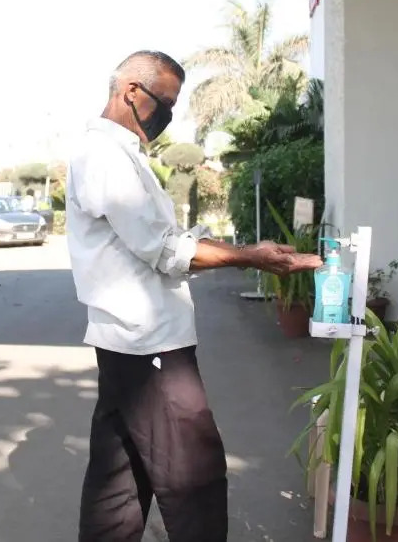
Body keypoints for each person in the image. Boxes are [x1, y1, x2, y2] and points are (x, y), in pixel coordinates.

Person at [66, 50, 323, 542]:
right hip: (148, 344)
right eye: (164, 102)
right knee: (194, 477)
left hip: (128, 341)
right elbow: (164, 249)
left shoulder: (120, 154)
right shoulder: (105, 155)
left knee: (119, 483)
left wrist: (237, 249)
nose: (168, 114)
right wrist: (250, 257)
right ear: (131, 91)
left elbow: (167, 240)